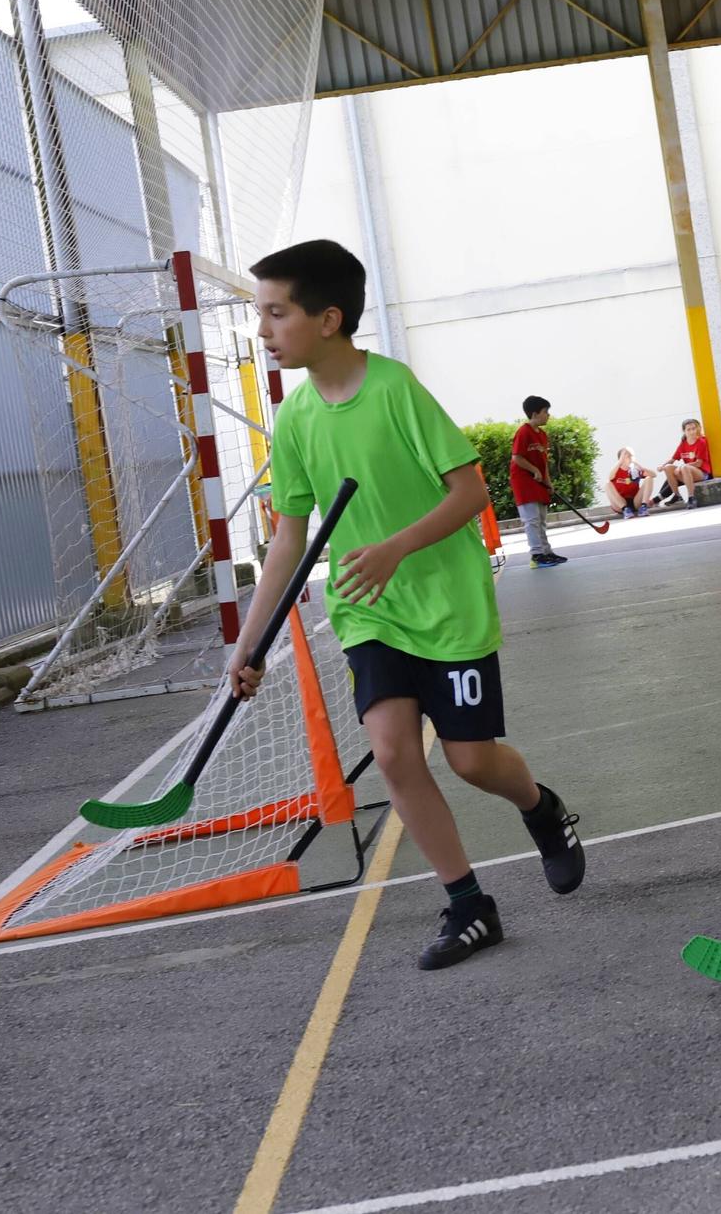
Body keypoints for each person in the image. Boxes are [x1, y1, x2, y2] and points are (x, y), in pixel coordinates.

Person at [234, 240, 585, 972]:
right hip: (369, 611)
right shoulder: (295, 418)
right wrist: (250, 639)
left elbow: (469, 493)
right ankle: (468, 904)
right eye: (259, 314)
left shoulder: (395, 391)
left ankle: (542, 807)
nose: (262, 330)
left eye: (275, 313)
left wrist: (395, 546)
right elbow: (289, 537)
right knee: (392, 753)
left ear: (328, 319)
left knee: (471, 760)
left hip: (447, 605)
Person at [510, 395, 566, 568]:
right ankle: (536, 555)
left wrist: (548, 481)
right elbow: (516, 457)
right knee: (531, 520)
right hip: (524, 482)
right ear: (534, 414)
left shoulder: (542, 435)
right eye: (545, 412)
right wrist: (534, 470)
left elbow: (543, 462)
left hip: (539, 481)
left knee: (541, 520)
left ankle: (546, 552)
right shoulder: (523, 432)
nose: (548, 415)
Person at [654, 418, 712, 509]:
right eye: (689, 429)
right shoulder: (683, 444)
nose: (692, 431)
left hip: (701, 473)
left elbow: (699, 464)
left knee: (684, 467)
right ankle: (677, 496)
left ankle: (691, 498)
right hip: (687, 473)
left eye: (694, 428)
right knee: (668, 467)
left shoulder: (701, 442)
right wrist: (662, 466)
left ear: (697, 428)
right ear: (684, 431)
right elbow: (673, 459)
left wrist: (681, 467)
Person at [605, 447, 653, 518]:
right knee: (607, 483)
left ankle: (643, 507)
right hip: (620, 504)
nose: (630, 458)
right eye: (627, 456)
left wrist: (641, 467)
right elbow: (609, 478)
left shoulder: (635, 470)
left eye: (632, 456)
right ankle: (625, 510)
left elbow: (653, 475)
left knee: (649, 478)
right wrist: (619, 462)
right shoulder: (616, 471)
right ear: (620, 459)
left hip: (635, 501)